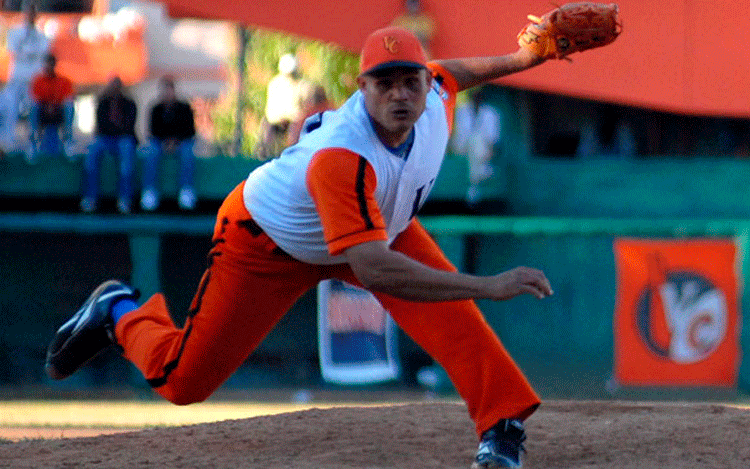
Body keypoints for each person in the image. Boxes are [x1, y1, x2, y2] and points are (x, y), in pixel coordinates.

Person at [46, 27, 554, 468]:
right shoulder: (342, 156)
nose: (399, 94)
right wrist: (488, 284)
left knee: (453, 318)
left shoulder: (436, 99)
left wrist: (528, 57)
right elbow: (377, 271)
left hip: (378, 222)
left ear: (426, 86)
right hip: (267, 243)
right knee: (183, 381)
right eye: (384, 82)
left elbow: (451, 71)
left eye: (410, 81)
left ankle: (501, 427)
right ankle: (121, 313)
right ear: (362, 88)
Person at [80, 76, 138, 214]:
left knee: (126, 154)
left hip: (123, 139)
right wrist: (113, 129)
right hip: (106, 139)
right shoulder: (103, 103)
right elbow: (101, 126)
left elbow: (129, 127)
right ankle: (90, 197)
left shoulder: (129, 103)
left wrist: (114, 129)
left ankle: (125, 199)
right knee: (93, 150)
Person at [140, 76, 198, 212]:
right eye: (164, 90)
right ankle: (150, 192)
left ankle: (186, 192)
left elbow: (190, 130)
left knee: (187, 151)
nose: (167, 93)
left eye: (169, 90)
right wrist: (166, 141)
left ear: (174, 91)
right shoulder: (156, 109)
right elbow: (152, 131)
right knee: (152, 150)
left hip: (181, 143)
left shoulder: (184, 107)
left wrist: (175, 140)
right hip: (160, 143)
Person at [0, 2, 51, 153]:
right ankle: (7, 142)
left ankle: (32, 145)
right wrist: (30, 52)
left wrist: (27, 52)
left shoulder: (42, 36)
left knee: (33, 113)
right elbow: (15, 51)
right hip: (16, 79)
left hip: (34, 81)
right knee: (11, 109)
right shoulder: (15, 33)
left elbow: (42, 54)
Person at [451, 86, 502, 207]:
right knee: (475, 141)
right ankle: (483, 171)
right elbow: (459, 134)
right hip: (462, 147)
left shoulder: (491, 113)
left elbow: (493, 138)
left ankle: (473, 190)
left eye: (479, 95)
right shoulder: (461, 110)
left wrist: (490, 150)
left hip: (483, 151)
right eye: (474, 95)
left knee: (477, 142)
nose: (476, 97)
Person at [254, 53, 312, 159]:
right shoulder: (275, 84)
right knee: (266, 128)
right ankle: (262, 155)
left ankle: (294, 154)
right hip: (275, 121)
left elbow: (303, 107)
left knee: (296, 130)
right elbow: (270, 108)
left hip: (292, 122)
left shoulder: (301, 84)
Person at [27, 53, 75, 163]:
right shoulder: (37, 81)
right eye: (46, 64)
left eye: (51, 64)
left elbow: (68, 97)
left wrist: (54, 106)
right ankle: (33, 145)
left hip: (58, 112)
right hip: (43, 112)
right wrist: (47, 106)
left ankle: (68, 143)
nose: (48, 67)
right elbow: (36, 98)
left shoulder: (64, 81)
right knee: (34, 107)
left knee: (69, 106)